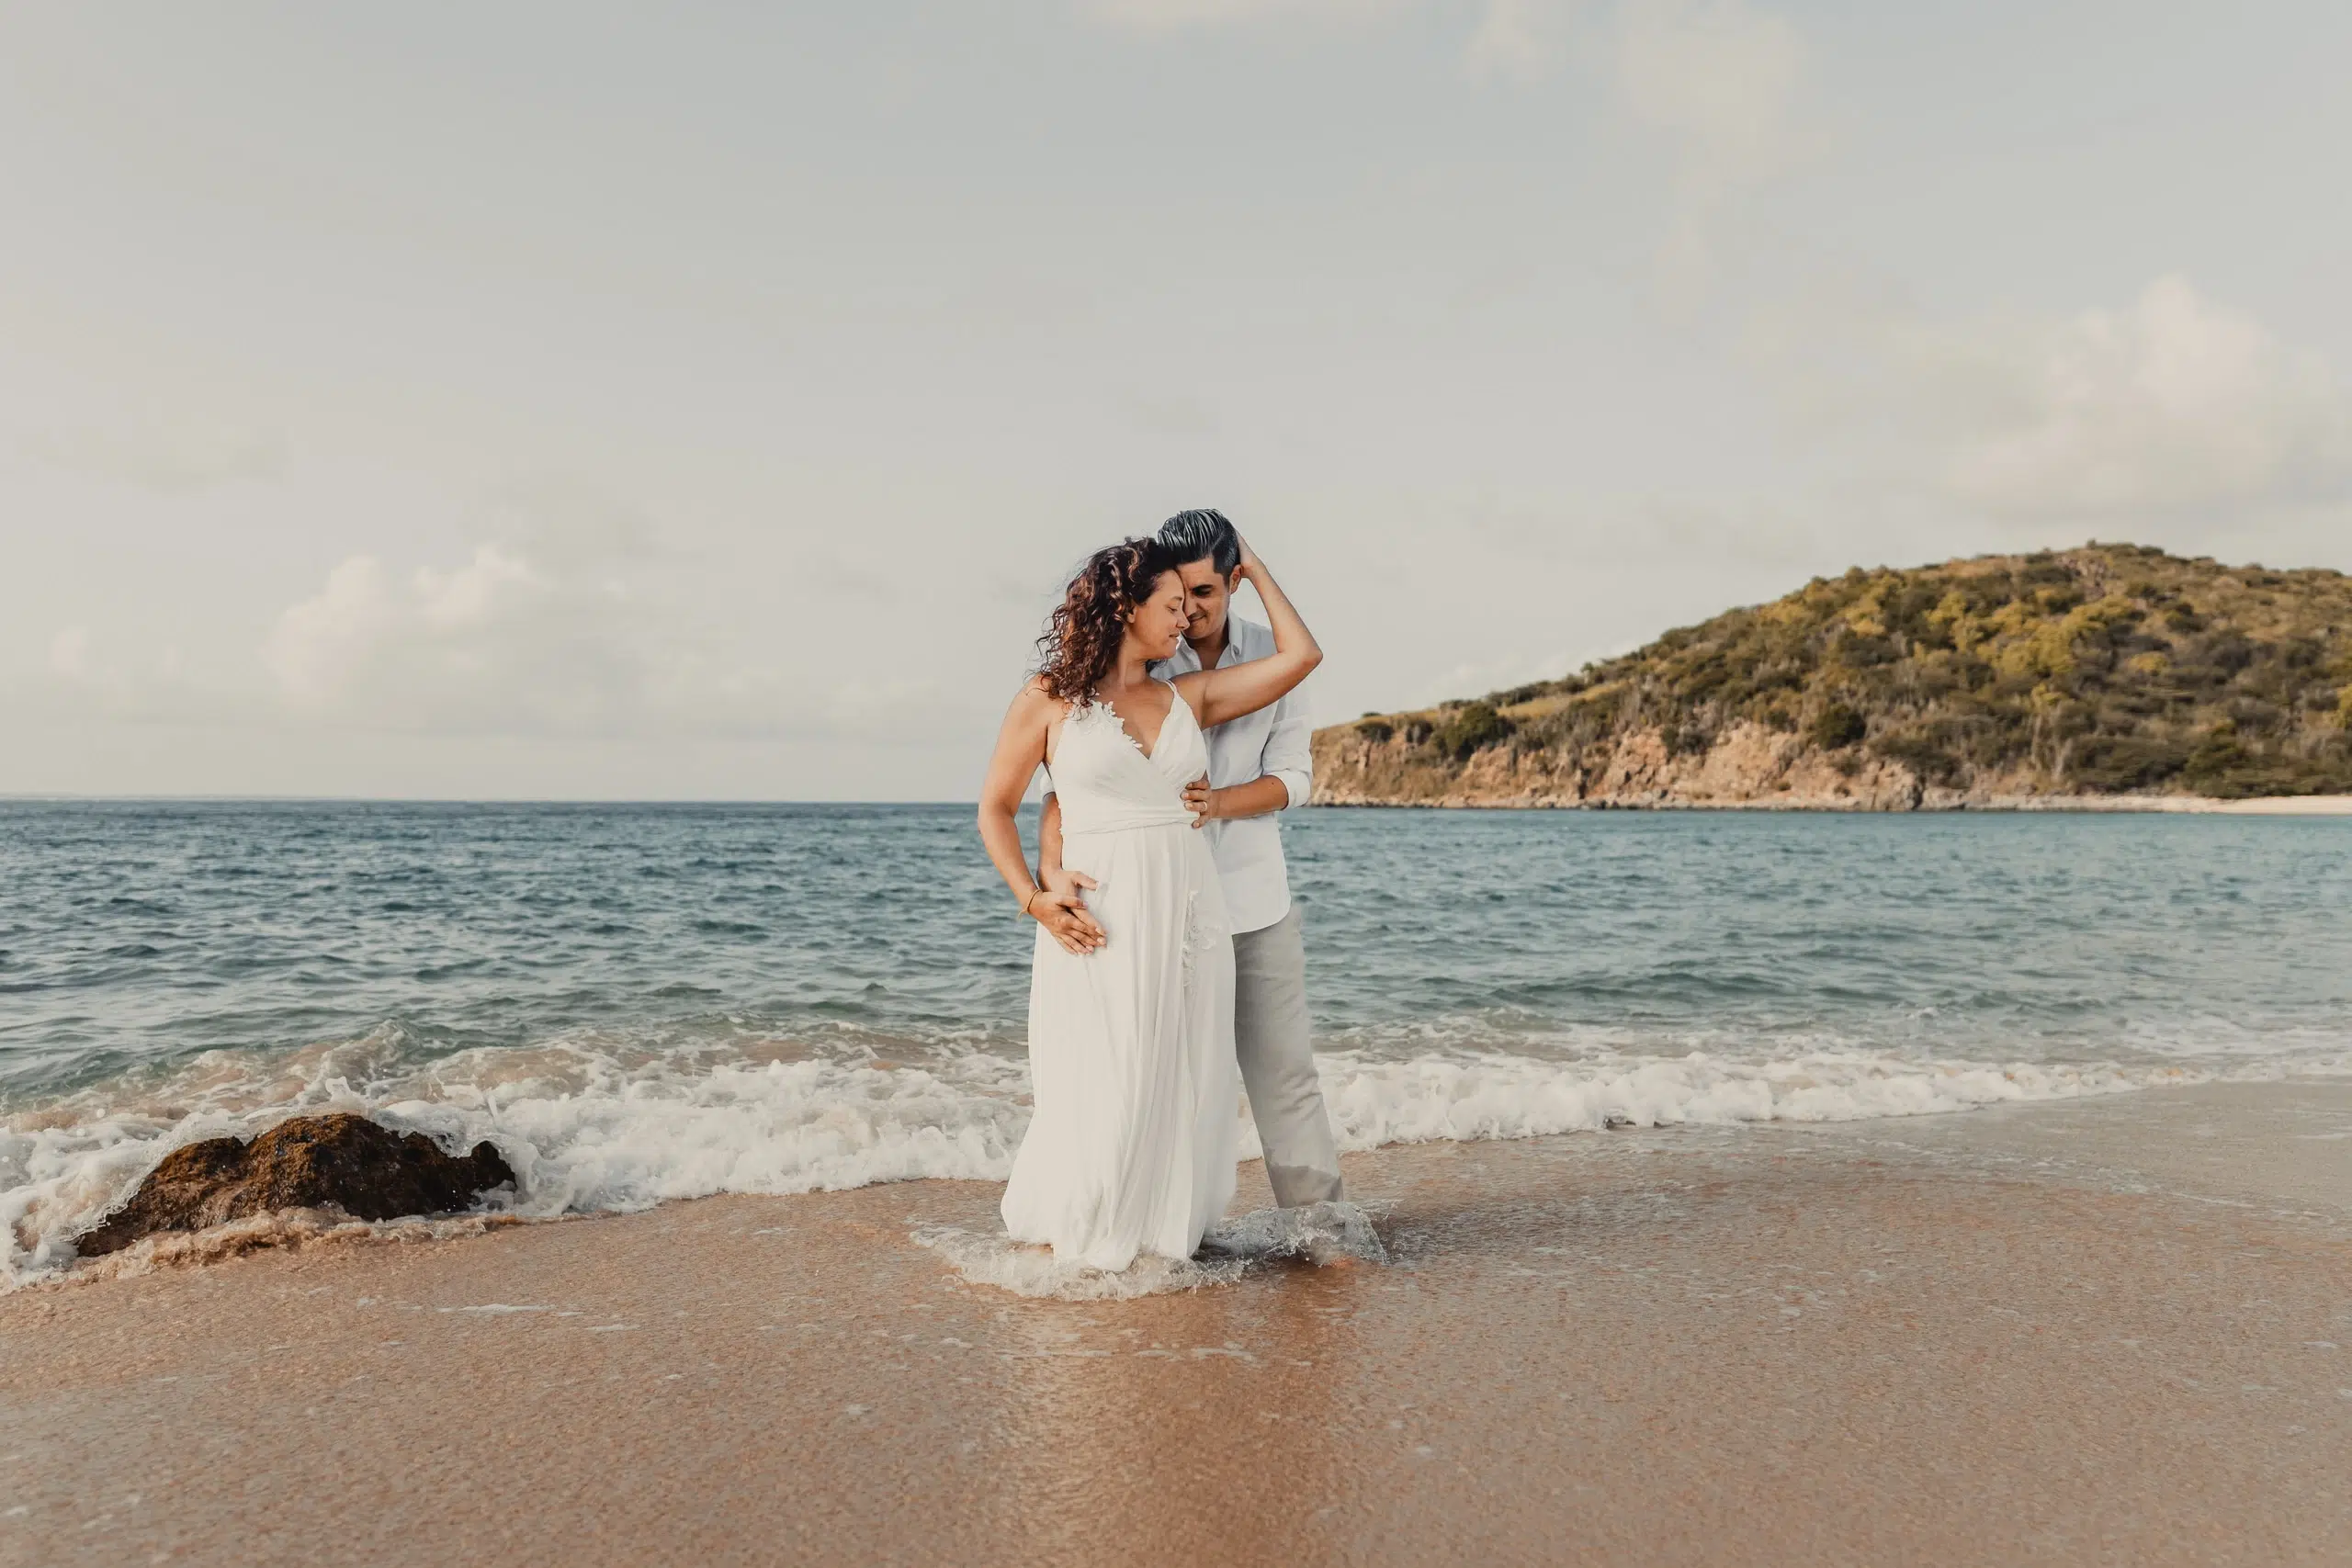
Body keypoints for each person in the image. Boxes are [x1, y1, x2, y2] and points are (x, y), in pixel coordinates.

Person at [976, 532, 1320, 1270]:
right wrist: (1035, 896)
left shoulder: (1186, 697)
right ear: (1126, 608)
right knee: (1106, 1069)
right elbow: (995, 809)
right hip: (1102, 916)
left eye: (1191, 604)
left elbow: (1301, 657)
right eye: (1170, 606)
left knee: (1182, 1070)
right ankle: (1092, 1219)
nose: (1185, 620)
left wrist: (1255, 569)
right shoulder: (1048, 699)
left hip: (1191, 912)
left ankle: (1163, 1231)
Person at [1038, 509, 1346, 1209]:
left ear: (1234, 582)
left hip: (1252, 899)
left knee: (1284, 1076)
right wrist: (1050, 871)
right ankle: (1176, 1228)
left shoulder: (1271, 651)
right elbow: (1068, 785)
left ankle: (1321, 1228)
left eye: (1206, 592)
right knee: (1163, 1081)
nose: (1191, 611)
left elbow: (1295, 779)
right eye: (1179, 595)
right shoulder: (1144, 653)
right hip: (1153, 908)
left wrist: (1220, 802)